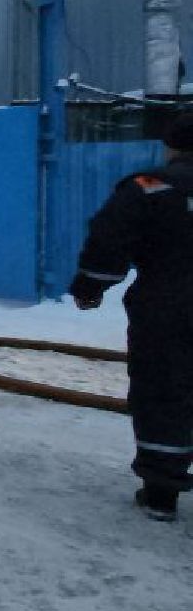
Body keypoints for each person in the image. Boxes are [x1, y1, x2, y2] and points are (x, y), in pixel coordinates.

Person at [70, 110, 193, 522]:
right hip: (170, 305)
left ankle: (161, 493)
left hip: (169, 309)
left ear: (172, 146)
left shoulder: (151, 187)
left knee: (165, 390)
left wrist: (90, 286)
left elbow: (110, 238)